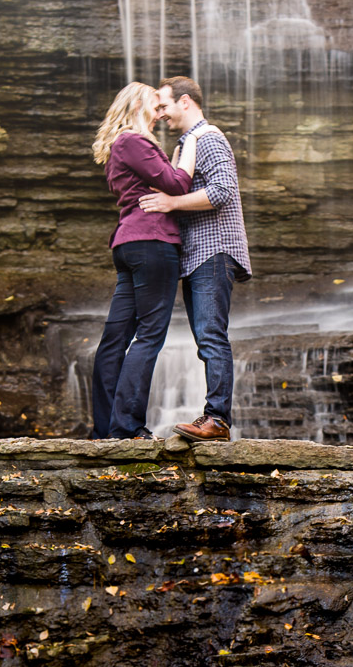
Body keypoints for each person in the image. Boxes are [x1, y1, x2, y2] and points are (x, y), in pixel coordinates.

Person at [138, 76, 251, 442]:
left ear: (185, 102)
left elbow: (221, 191)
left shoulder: (210, 138)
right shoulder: (189, 143)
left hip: (214, 250)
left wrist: (171, 203)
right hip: (197, 254)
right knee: (206, 336)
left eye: (165, 105)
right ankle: (213, 417)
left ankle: (217, 420)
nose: (161, 113)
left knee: (211, 336)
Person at [89, 82, 196, 439]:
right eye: (155, 104)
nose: (160, 112)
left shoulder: (120, 145)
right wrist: (190, 145)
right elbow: (177, 184)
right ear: (137, 104)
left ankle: (107, 429)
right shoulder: (134, 141)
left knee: (115, 338)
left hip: (130, 243)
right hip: (152, 241)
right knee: (149, 335)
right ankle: (127, 426)